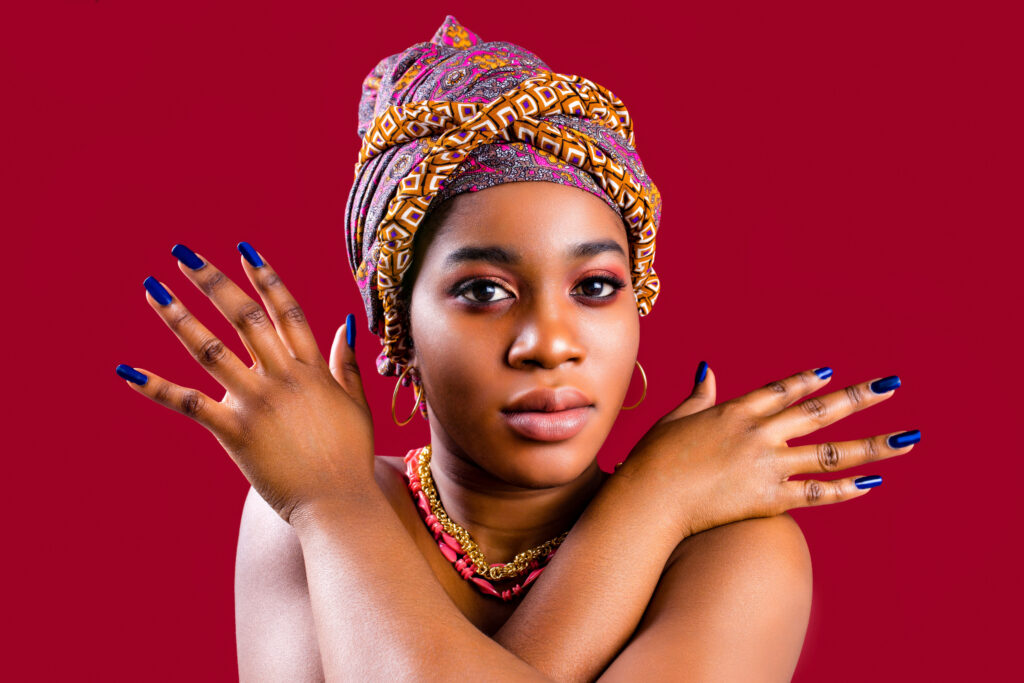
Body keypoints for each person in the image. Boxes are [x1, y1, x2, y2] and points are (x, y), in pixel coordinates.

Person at [115, 15, 921, 681]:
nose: (550, 343)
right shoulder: (305, 504)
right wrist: (643, 509)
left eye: (596, 286)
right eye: (483, 292)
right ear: (398, 333)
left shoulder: (736, 554)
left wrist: (658, 506)